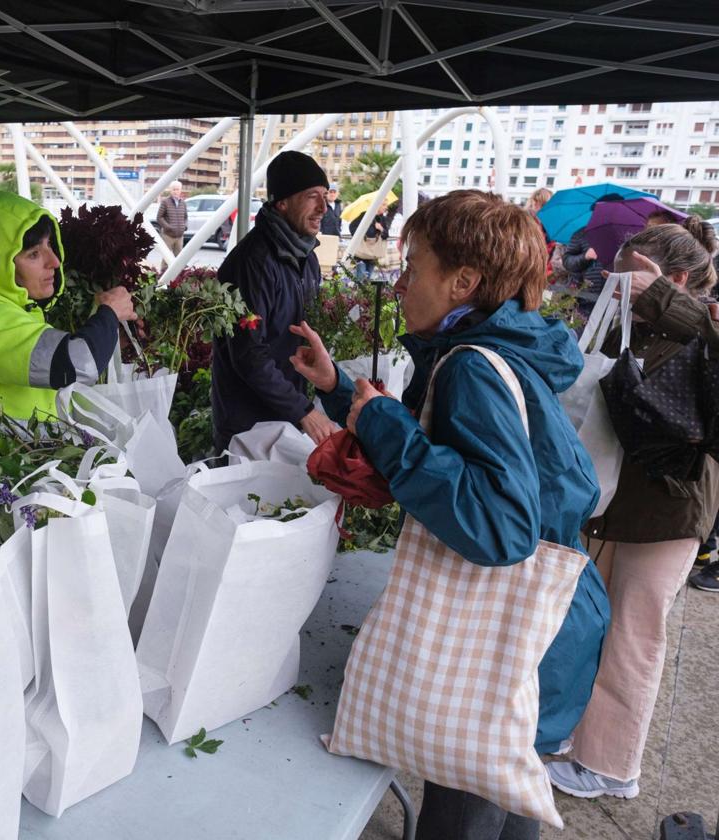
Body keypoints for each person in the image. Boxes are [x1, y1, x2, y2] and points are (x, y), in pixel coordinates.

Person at [292, 190, 608, 840]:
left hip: (513, 635)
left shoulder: (471, 369)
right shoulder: (502, 350)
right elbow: (459, 447)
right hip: (557, 620)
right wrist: (345, 391)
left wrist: (379, 421)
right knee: (506, 790)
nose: (401, 282)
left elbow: (499, 525)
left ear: (463, 281)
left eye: (415, 266)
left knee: (466, 811)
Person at [548, 219, 719, 800]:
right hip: (622, 502)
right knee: (598, 624)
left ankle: (612, 767)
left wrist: (667, 302)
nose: (615, 286)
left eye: (629, 279)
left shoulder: (700, 327)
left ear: (672, 279)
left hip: (669, 509)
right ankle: (578, 739)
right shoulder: (640, 325)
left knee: (634, 635)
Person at [0, 190, 134, 420]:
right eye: (33, 254)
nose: (54, 261)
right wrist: (110, 312)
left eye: (50, 245)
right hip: (3, 455)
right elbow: (79, 365)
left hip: (25, 451)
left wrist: (107, 329)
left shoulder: (13, 307)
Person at [210, 150, 336, 454]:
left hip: (286, 414)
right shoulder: (253, 262)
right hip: (247, 424)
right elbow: (248, 353)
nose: (324, 207)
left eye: (324, 195)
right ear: (282, 202)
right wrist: (304, 410)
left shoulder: (307, 259)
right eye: (312, 196)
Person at [156, 181, 188, 261]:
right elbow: (159, 217)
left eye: (177, 189)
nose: (175, 191)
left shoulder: (183, 203)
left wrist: (185, 226)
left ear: (180, 190)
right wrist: (168, 227)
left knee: (179, 260)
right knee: (166, 259)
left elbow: (186, 217)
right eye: (174, 189)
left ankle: (179, 274)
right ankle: (163, 273)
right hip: (168, 236)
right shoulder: (165, 202)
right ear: (170, 190)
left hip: (180, 236)